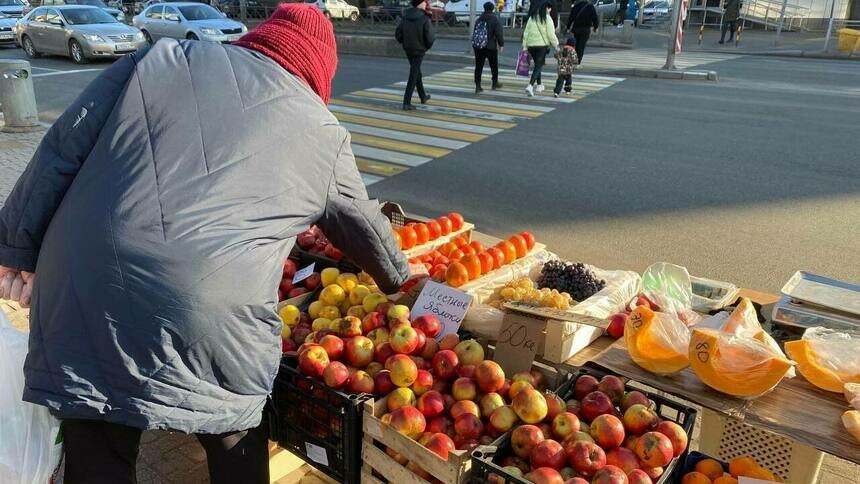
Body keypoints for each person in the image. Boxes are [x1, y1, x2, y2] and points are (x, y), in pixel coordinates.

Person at [0, 4, 410, 483]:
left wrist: (14, 249)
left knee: (99, 447)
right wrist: (400, 279)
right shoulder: (322, 131)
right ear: (319, 74)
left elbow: (61, 148)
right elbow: (364, 228)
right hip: (209, 315)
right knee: (234, 432)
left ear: (259, 40)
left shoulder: (158, 59)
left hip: (84, 288)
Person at [395, 0, 435, 110]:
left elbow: (398, 34)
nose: (426, 3)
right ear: (419, 4)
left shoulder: (405, 16)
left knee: (417, 72)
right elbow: (430, 37)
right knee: (413, 75)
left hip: (408, 49)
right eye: (424, 2)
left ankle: (423, 96)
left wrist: (404, 43)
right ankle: (406, 102)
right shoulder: (424, 18)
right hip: (419, 51)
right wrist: (425, 47)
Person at [521, 0, 558, 96]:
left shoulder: (532, 18)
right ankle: (530, 86)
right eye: (549, 8)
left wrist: (525, 46)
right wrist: (556, 45)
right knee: (538, 66)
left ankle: (539, 84)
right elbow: (551, 34)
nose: (550, 10)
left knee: (538, 64)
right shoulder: (547, 18)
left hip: (531, 46)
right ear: (546, 8)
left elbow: (526, 33)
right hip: (542, 46)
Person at [473, 1, 505, 93]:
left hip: (479, 47)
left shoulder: (479, 19)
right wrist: (501, 44)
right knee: (494, 66)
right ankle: (495, 83)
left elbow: (475, 32)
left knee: (478, 66)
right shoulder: (495, 19)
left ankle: (478, 86)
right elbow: (499, 33)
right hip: (490, 46)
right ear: (492, 9)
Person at [566, 0, 598, 65]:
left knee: (576, 45)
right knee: (581, 46)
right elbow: (595, 17)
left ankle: (574, 60)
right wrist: (595, 27)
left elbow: (571, 17)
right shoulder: (590, 6)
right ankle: (577, 62)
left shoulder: (576, 6)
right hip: (585, 29)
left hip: (576, 29)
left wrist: (568, 27)